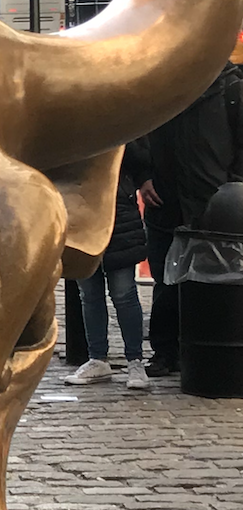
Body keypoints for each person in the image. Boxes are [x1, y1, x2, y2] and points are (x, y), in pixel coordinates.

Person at [127, 50, 243, 376]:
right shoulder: (162, 90)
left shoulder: (231, 90)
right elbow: (138, 135)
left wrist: (232, 188)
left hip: (216, 207)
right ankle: (166, 352)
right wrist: (143, 175)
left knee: (218, 283)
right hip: (166, 201)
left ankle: (214, 351)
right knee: (166, 282)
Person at [65, 166, 148, 389]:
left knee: (124, 293)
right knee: (90, 294)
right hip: (81, 206)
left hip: (115, 207)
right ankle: (97, 358)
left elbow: (139, 152)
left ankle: (135, 360)